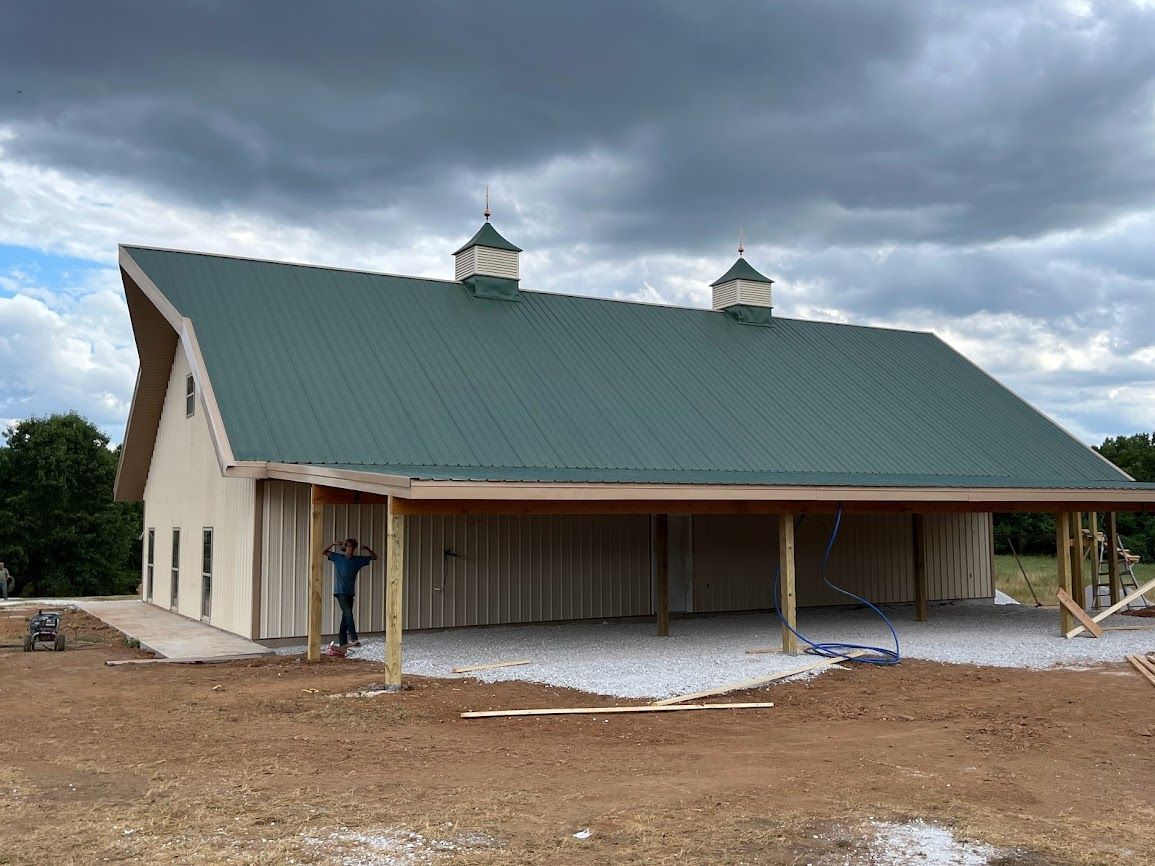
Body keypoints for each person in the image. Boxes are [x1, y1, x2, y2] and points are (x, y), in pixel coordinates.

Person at [322, 538, 377, 654]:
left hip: (350, 593)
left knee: (345, 617)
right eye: (348, 547)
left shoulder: (357, 560)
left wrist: (367, 549)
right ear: (345, 548)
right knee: (348, 613)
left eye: (352, 547)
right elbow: (323, 552)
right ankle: (354, 638)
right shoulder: (338, 558)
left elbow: (374, 557)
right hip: (340, 591)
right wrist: (332, 544)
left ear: (354, 548)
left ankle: (342, 642)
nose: (350, 549)